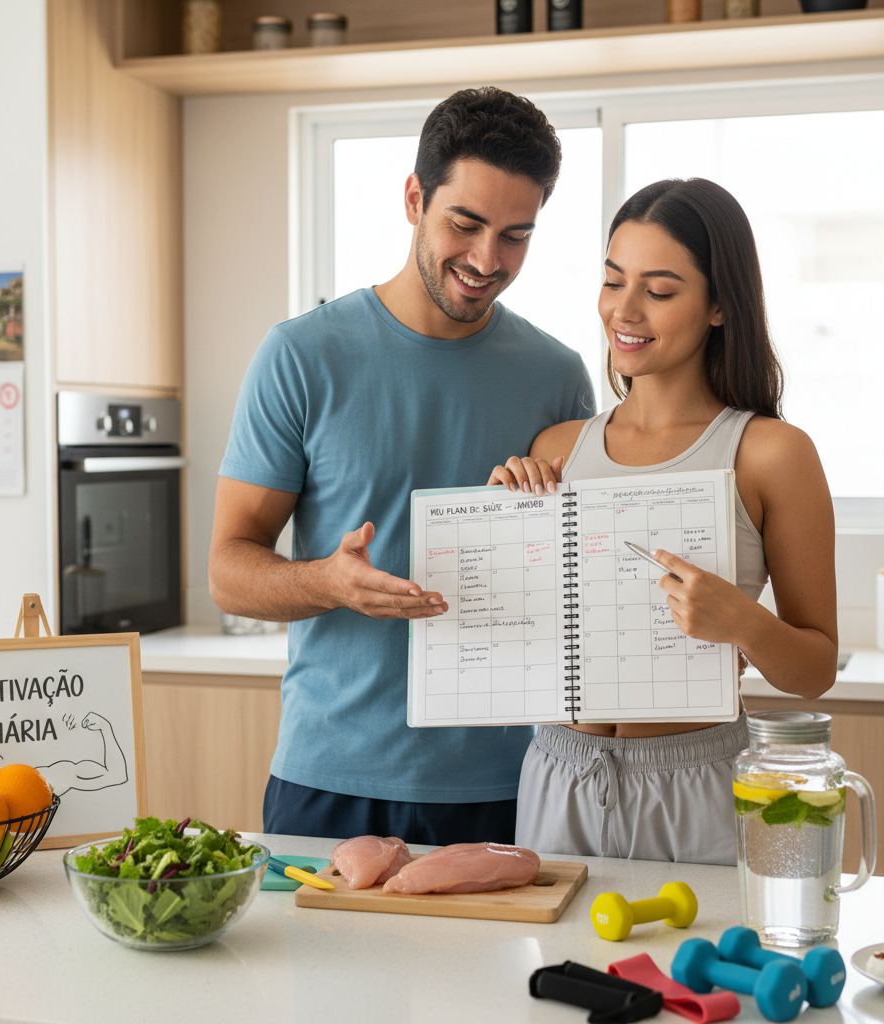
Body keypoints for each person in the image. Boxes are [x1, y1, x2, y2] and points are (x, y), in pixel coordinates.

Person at [210, 87, 595, 846]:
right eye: (466, 224)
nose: (488, 261)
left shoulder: (557, 375)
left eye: (516, 235)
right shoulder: (301, 356)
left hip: (506, 782)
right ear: (415, 197)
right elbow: (229, 570)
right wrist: (325, 581)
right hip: (330, 780)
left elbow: (576, 586)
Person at [488, 178, 837, 865]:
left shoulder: (772, 454)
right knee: (555, 975)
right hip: (559, 772)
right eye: (613, 280)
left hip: (696, 782)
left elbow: (816, 666)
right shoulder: (555, 451)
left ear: (718, 307)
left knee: (696, 975)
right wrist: (500, 522)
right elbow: (519, 631)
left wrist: (739, 620)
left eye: (660, 290)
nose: (625, 310)